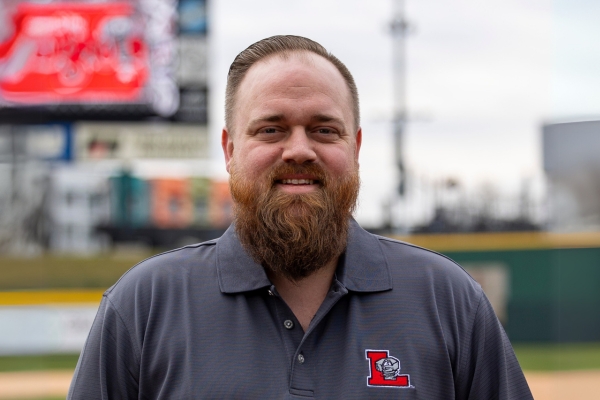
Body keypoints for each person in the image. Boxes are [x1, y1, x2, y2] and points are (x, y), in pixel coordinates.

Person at [68, 35, 532, 399]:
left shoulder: (448, 300)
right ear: (230, 150)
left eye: (323, 130)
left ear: (355, 147)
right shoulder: (142, 305)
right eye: (271, 129)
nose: (299, 150)